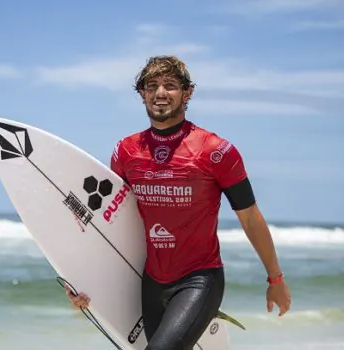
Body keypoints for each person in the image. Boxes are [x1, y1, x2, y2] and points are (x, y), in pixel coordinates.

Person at [65, 55, 291, 349]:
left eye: (170, 85)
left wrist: (275, 279)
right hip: (151, 281)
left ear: (187, 93)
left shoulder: (215, 151)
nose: (160, 93)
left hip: (199, 280)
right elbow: (112, 224)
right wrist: (83, 282)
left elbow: (249, 217)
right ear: (142, 94)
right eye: (152, 86)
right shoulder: (126, 152)